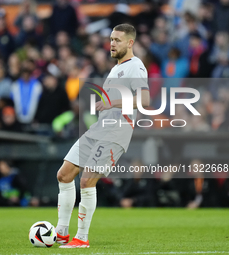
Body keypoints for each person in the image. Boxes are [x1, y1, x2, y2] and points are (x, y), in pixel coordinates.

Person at [55, 24, 150, 248]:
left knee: (87, 181)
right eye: (111, 39)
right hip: (99, 128)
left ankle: (82, 238)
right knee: (64, 174)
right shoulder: (117, 68)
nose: (112, 44)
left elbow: (144, 101)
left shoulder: (136, 67)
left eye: (117, 40)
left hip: (118, 129)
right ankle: (61, 232)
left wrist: (112, 102)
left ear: (130, 43)